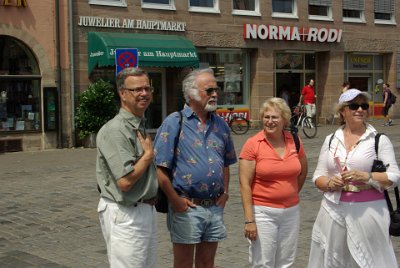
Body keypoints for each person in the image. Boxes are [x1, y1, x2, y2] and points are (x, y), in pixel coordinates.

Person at [154, 68, 237, 268]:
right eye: (209, 90)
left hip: (214, 206)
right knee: (183, 264)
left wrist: (225, 193)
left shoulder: (221, 125)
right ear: (191, 93)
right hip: (186, 207)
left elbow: (226, 163)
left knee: (207, 263)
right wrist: (175, 200)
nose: (215, 94)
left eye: (216, 90)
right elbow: (159, 168)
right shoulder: (174, 122)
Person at [308, 88, 400, 268]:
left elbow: (394, 176)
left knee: (370, 260)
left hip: (369, 212)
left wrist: (367, 176)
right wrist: (329, 182)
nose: (360, 109)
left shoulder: (378, 140)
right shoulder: (330, 139)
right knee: (333, 260)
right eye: (354, 106)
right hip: (332, 210)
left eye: (364, 106)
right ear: (343, 110)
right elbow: (318, 176)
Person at [96, 67, 158, 267]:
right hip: (126, 213)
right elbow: (125, 181)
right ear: (122, 94)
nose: (144, 94)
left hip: (144, 209)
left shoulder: (138, 124)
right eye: (137, 89)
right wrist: (148, 156)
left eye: (147, 88)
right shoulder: (115, 130)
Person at [239, 97, 308, 267]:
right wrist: (249, 220)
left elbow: (302, 171)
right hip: (263, 212)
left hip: (291, 211)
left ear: (284, 119)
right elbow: (244, 184)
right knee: (263, 262)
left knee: (286, 261)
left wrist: (288, 193)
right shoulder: (253, 144)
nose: (270, 121)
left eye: (274, 117)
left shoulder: (295, 141)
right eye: (266, 117)